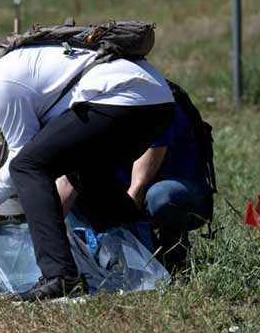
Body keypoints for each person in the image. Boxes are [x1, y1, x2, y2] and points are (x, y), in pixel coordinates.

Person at [0, 35, 174, 301]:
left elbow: (21, 158)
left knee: (28, 167)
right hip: (157, 103)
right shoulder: (12, 62)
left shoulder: (3, 82)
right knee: (84, 171)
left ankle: (60, 277)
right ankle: (151, 253)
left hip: (125, 98)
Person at [56, 95, 214, 274]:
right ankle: (90, 261)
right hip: (126, 191)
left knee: (161, 196)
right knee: (74, 194)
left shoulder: (151, 99)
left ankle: (173, 258)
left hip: (181, 193)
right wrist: (43, 232)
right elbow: (67, 176)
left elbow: (139, 185)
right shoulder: (87, 103)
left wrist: (124, 226)